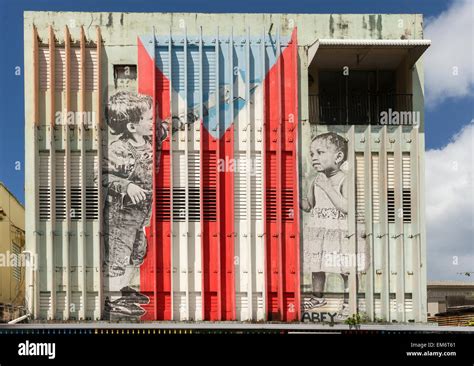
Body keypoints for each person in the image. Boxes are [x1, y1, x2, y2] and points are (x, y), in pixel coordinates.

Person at [301, 132, 350, 318]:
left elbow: (346, 207)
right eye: (312, 153)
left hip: (338, 232)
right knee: (317, 266)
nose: (314, 157)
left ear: (338, 157)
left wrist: (328, 187)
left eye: (320, 152)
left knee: (345, 269)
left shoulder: (345, 179)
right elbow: (309, 205)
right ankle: (317, 297)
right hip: (319, 231)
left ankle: (348, 302)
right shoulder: (315, 180)